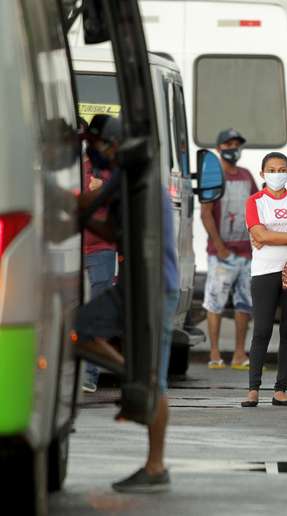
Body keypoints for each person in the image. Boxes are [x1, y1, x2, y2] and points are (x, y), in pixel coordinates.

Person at [113, 190, 181, 491]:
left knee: (155, 378)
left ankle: (155, 466)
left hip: (153, 288)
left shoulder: (136, 181)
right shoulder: (146, 182)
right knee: (154, 376)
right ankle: (155, 465)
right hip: (153, 286)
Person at [241, 152, 287, 408]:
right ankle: (253, 389)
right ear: (262, 174)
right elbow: (258, 233)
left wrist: (270, 236)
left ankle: (280, 390)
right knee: (261, 329)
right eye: (271, 170)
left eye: (281, 169)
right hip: (263, 271)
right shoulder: (255, 201)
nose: (276, 173)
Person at [200, 128, 258, 370]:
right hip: (221, 254)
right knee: (215, 302)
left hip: (246, 253)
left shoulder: (246, 175)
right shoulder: (213, 176)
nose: (233, 148)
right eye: (228, 144)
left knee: (244, 304)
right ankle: (214, 354)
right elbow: (205, 214)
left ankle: (239, 354)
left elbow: (256, 205)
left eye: (236, 143)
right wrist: (220, 246)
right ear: (219, 149)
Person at [80, 114, 119, 393]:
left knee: (96, 316)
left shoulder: (114, 172)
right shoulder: (71, 169)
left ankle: (89, 377)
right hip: (69, 251)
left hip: (101, 251)